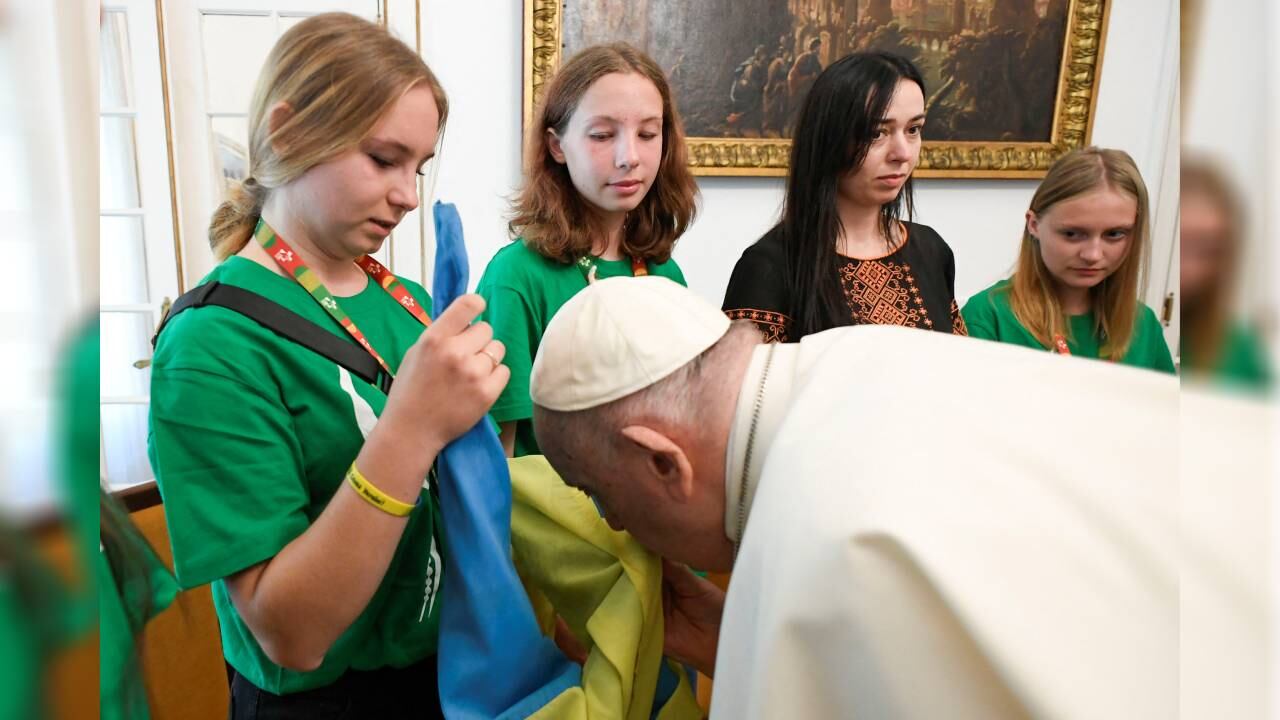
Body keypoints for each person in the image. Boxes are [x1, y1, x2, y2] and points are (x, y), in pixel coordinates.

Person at [529, 276, 1177, 719]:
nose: (612, 520)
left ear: (662, 461)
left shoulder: (832, 537)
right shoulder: (860, 353)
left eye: (598, 492)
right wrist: (732, 636)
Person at [148, 14, 508, 717]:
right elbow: (293, 634)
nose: (408, 194)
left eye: (419, 167)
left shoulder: (402, 301)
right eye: (383, 158)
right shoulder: (211, 344)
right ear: (287, 133)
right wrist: (410, 428)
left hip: (450, 670)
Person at [477, 42, 698, 458]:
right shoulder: (518, 276)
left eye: (648, 134)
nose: (629, 156)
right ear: (557, 146)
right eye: (602, 135)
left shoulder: (666, 274)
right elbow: (497, 460)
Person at [724, 51, 967, 342]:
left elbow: (956, 374)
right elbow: (749, 385)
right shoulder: (770, 266)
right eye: (877, 133)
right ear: (829, 138)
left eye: (913, 129)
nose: (902, 153)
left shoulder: (931, 250)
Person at [962, 147, 1175, 373]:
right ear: (1034, 225)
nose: (1093, 255)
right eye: (1072, 234)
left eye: (1114, 234)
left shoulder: (1143, 323)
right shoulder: (987, 317)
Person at [1179, 158, 1272, 389]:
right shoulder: (1142, 330)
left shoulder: (1240, 350)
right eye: (1183, 245)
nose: (1190, 268)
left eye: (1209, 251)